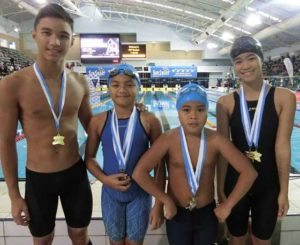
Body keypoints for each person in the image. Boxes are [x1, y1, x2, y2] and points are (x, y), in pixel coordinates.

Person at [0, 4, 93, 245]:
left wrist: (131, 113)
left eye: (63, 35)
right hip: (38, 178)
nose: (55, 42)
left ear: (72, 41)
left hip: (75, 174)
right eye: (47, 33)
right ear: (34, 35)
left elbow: (95, 127)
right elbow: (6, 141)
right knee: (42, 240)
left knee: (80, 236)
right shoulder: (13, 85)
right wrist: (14, 195)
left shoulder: (80, 83)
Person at [132, 83, 257, 245]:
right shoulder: (168, 139)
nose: (193, 115)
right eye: (186, 110)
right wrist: (164, 201)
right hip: (177, 213)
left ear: (207, 112)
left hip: (207, 213)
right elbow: (139, 173)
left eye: (200, 109)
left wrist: (228, 205)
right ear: (178, 113)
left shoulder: (216, 140)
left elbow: (249, 172)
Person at [216, 36, 296, 245]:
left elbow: (282, 146)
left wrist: (284, 192)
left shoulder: (283, 97)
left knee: (262, 240)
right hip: (235, 184)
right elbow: (223, 152)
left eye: (251, 58)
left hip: (268, 185)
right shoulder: (225, 102)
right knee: (236, 238)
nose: (245, 66)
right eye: (238, 61)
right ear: (234, 66)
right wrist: (220, 191)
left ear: (261, 59)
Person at [85, 63, 164, 245]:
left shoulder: (149, 120)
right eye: (116, 84)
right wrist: (104, 179)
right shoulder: (98, 121)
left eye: (129, 84)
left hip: (140, 193)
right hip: (110, 193)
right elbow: (89, 159)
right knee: (115, 242)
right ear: (108, 88)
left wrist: (159, 203)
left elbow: (160, 165)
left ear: (138, 87)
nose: (122, 89)